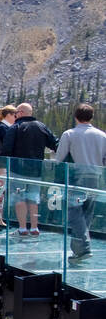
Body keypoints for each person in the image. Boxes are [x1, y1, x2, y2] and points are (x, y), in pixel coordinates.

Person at [54, 103, 106, 260]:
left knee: (74, 213)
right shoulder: (102, 135)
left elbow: (59, 158)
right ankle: (78, 250)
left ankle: (83, 249)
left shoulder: (69, 134)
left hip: (76, 177)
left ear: (76, 117)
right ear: (91, 117)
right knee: (86, 214)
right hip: (95, 177)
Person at [1, 102, 58, 236]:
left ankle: (22, 228)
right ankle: (34, 228)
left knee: (19, 197)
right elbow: (54, 144)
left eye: (16, 113)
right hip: (36, 170)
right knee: (33, 198)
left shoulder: (15, 127)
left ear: (20, 113)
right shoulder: (41, 126)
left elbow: (6, 148)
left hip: (17, 169)